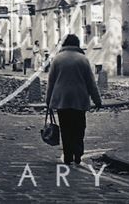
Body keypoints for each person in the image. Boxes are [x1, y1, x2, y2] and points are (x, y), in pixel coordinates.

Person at [46, 34, 102, 165]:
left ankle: (67, 155)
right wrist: (97, 100)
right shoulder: (83, 59)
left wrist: (48, 101)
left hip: (62, 99)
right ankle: (78, 153)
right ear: (77, 45)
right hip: (79, 98)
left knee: (65, 128)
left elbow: (51, 82)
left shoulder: (57, 59)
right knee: (79, 127)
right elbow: (91, 82)